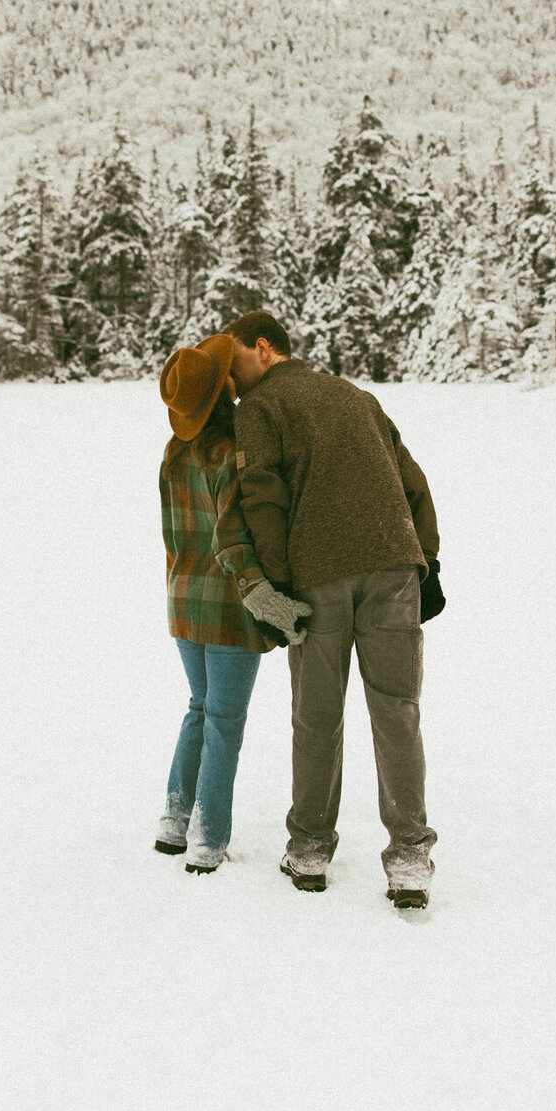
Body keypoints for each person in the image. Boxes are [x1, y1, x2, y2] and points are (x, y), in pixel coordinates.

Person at [225, 309, 443, 910]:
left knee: (316, 718)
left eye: (233, 357)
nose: (229, 374)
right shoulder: (356, 396)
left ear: (263, 348)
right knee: (397, 713)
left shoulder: (261, 409)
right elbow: (411, 479)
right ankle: (409, 859)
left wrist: (277, 585)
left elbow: (262, 496)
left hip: (319, 577)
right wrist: (428, 557)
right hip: (395, 566)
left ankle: (311, 849)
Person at [156, 332, 311, 873]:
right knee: (224, 719)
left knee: (199, 708)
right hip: (225, 604)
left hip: (181, 600)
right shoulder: (229, 453)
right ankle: (208, 839)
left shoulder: (173, 455)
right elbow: (231, 538)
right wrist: (264, 591)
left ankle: (174, 820)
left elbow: (177, 535)